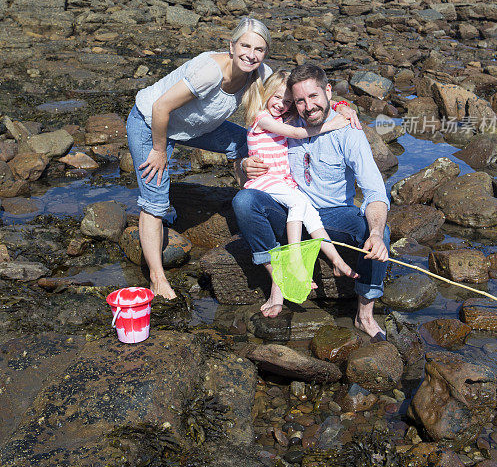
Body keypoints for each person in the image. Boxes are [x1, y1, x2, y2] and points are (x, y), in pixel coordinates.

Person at [234, 63, 390, 339]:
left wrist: (376, 233)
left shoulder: (348, 130)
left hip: (332, 217)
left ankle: (364, 315)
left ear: (328, 91)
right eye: (300, 100)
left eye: (314, 97)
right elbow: (251, 143)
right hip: (289, 214)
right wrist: (244, 163)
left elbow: (375, 191)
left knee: (378, 232)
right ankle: (280, 279)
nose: (308, 106)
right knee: (244, 200)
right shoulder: (287, 122)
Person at [127, 17, 273, 299]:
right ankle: (157, 279)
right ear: (231, 46)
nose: (251, 54)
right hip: (151, 122)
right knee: (155, 199)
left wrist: (339, 107)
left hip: (195, 127)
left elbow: (293, 93)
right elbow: (160, 107)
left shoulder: (260, 73)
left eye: (259, 49)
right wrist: (159, 151)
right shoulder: (209, 72)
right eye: (245, 45)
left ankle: (248, 204)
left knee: (243, 141)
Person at [243, 69, 358, 316]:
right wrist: (333, 125)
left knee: (309, 212)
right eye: (276, 97)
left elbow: (317, 104)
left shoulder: (284, 115)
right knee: (297, 204)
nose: (281, 105)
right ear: (265, 93)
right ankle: (294, 261)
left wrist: (341, 105)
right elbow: (297, 133)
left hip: (282, 182)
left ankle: (337, 260)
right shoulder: (261, 117)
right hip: (266, 181)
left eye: (286, 102)